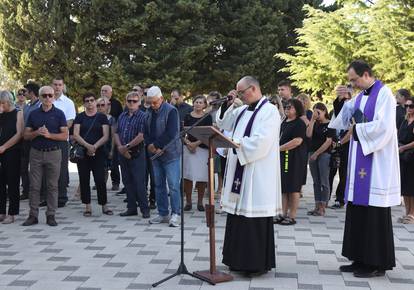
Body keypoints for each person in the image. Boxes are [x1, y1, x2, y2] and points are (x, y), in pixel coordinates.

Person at [329, 60, 400, 278]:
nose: (352, 84)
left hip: (376, 163)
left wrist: (358, 129)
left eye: (354, 80)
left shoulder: (385, 94)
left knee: (374, 215)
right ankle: (359, 258)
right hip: (361, 162)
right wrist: (340, 102)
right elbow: (343, 120)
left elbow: (385, 127)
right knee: (358, 212)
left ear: (367, 74)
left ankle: (376, 263)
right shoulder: (360, 97)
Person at [216, 76, 282, 275]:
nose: (239, 96)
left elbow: (262, 141)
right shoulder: (243, 110)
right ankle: (235, 259)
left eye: (241, 92)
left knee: (252, 216)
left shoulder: (269, 111)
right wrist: (227, 103)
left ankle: (254, 264)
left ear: (253, 89)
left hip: (257, 173)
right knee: (238, 215)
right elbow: (223, 123)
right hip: (240, 169)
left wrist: (237, 144)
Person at [22, 86, 68, 226]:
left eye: (50, 95)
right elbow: (26, 135)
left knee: (52, 186)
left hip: (54, 153)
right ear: (40, 97)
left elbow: (65, 135)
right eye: (44, 95)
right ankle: (33, 215)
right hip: (36, 153)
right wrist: (37, 133)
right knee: (34, 186)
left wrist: (49, 135)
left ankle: (51, 215)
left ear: (53, 96)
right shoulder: (34, 114)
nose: (47, 98)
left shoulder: (59, 114)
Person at [145, 86, 182, 227]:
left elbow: (171, 132)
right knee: (158, 185)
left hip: (170, 153)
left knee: (173, 185)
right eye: (150, 102)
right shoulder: (148, 112)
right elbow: (145, 131)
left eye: (155, 102)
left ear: (161, 98)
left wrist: (157, 145)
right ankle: (163, 213)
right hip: (155, 154)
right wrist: (150, 145)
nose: (152, 105)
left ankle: (176, 214)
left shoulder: (171, 110)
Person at [73, 93, 112, 217]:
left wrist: (94, 146)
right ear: (84, 103)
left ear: (95, 102)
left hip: (99, 152)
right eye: (87, 101)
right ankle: (87, 206)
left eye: (91, 100)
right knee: (84, 179)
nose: (89, 103)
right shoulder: (79, 117)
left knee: (100, 179)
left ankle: (104, 205)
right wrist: (88, 146)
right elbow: (76, 134)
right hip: (83, 153)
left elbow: (106, 135)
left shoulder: (102, 117)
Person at [115, 92, 150, 218]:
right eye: (129, 100)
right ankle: (131, 208)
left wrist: (126, 147)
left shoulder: (143, 116)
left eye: (134, 101)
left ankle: (145, 209)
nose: (131, 103)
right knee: (127, 181)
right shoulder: (122, 116)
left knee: (139, 182)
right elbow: (116, 133)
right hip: (123, 153)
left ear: (139, 102)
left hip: (137, 153)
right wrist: (120, 147)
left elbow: (141, 136)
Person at [275, 99, 307, 226]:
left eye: (291, 107)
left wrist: (278, 149)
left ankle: (292, 216)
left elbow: (297, 141)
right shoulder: (284, 122)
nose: (287, 108)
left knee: (294, 188)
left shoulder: (299, 123)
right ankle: (282, 213)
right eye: (286, 106)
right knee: (284, 187)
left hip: (294, 159)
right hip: (284, 157)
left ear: (297, 109)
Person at [183, 95, 213, 211]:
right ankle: (188, 202)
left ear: (205, 105)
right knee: (188, 176)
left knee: (201, 176)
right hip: (188, 148)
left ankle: (200, 202)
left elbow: (209, 133)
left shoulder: (207, 117)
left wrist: (196, 144)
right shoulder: (187, 116)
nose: (198, 104)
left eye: (201, 102)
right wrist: (188, 143)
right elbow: (182, 132)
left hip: (202, 149)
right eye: (196, 102)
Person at [50, 77, 76, 207]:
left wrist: (53, 129)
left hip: (61, 140)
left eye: (59, 85)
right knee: (47, 170)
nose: (57, 87)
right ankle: (47, 197)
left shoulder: (68, 103)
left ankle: (61, 197)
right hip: (45, 140)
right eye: (55, 84)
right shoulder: (44, 100)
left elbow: (70, 122)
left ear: (63, 86)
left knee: (61, 170)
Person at [306, 102, 335, 216]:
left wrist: (317, 154)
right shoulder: (315, 123)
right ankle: (317, 206)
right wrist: (312, 120)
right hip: (312, 153)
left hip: (324, 155)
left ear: (324, 111)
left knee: (324, 181)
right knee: (315, 181)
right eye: (314, 112)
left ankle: (323, 206)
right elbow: (308, 135)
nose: (316, 114)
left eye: (318, 112)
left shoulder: (330, 124)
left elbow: (328, 142)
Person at [0, 91, 24, 224]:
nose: (1, 105)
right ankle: (1, 211)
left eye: (3, 103)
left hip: (12, 152)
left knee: (12, 183)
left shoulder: (18, 112)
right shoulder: (1, 114)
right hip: (1, 152)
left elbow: (19, 134)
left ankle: (12, 213)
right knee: (0, 183)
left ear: (9, 101)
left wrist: (4, 147)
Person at [329, 86, 352, 209]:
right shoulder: (335, 111)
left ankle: (340, 198)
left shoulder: (353, 109)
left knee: (343, 174)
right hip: (334, 146)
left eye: (346, 96)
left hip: (345, 146)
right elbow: (337, 111)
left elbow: (351, 131)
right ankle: (325, 197)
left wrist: (340, 143)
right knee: (330, 173)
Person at [20, 83, 41, 200]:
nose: (24, 94)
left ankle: (37, 192)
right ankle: (26, 191)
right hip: (25, 140)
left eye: (25, 92)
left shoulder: (40, 106)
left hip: (36, 140)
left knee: (35, 168)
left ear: (31, 92)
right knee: (24, 166)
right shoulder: (27, 107)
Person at [101, 84, 123, 191]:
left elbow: (120, 118)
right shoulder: (99, 102)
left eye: (106, 91)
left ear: (111, 92)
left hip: (113, 134)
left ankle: (116, 182)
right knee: (101, 163)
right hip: (101, 137)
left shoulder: (116, 104)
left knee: (113, 162)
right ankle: (101, 182)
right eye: (102, 90)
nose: (103, 92)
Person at [397, 97, 414, 224]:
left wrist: (403, 147)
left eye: (411, 106)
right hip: (403, 157)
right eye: (407, 106)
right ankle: (407, 212)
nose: (408, 108)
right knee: (404, 186)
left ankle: (412, 214)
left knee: (411, 186)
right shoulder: (404, 121)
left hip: (411, 156)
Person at [96, 97, 116, 185]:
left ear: (107, 106)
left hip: (106, 147)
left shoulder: (111, 119)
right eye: (98, 105)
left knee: (105, 168)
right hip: (95, 146)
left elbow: (113, 136)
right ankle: (99, 184)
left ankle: (102, 187)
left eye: (102, 105)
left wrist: (112, 150)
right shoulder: (94, 117)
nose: (100, 107)